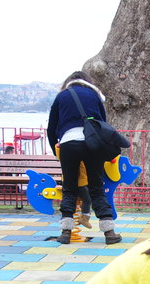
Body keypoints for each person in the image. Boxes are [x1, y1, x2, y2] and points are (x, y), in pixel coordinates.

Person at [47, 70, 121, 245]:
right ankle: (109, 232)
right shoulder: (94, 95)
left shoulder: (62, 96)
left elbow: (51, 128)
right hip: (91, 143)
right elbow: (102, 123)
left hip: (68, 143)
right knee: (96, 187)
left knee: (69, 188)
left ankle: (66, 232)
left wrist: (56, 150)